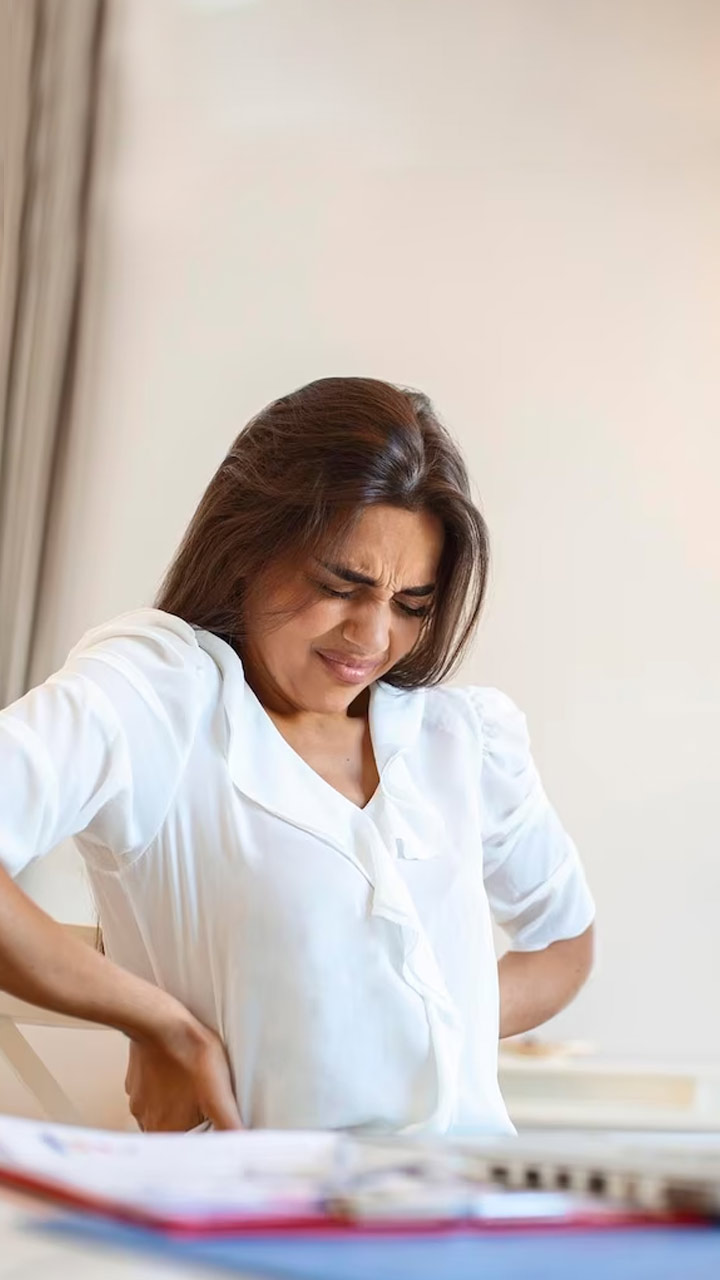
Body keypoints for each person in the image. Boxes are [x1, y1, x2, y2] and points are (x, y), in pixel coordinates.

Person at [0, 377, 594, 1135]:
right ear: (247, 550)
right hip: (257, 1196)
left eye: (410, 604)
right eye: (341, 586)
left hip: (470, 1194)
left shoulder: (458, 738)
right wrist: (156, 1024)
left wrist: (423, 1025)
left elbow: (564, 942)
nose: (372, 637)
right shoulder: (161, 696)